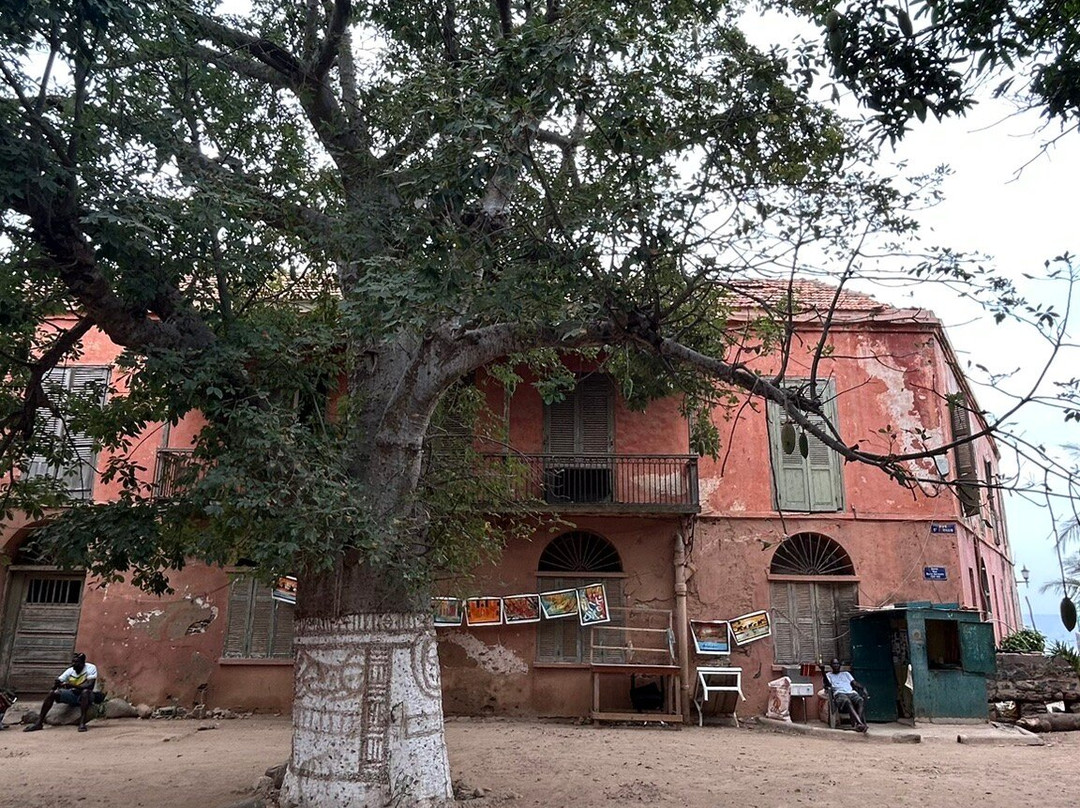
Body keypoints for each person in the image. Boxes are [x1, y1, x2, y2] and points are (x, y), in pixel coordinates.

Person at [24, 652, 98, 733]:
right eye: (73, 662)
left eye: (76, 662)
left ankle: (82, 722)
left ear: (83, 663)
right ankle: (39, 722)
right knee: (52, 693)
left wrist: (72, 686)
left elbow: (89, 686)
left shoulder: (91, 668)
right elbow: (58, 682)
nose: (74, 664)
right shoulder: (70, 670)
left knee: (85, 692)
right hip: (73, 695)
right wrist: (57, 685)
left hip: (86, 696)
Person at [824, 657, 869, 732]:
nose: (836, 665)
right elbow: (827, 684)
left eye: (837, 664)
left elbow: (854, 683)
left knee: (860, 700)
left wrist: (863, 688)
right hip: (839, 694)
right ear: (831, 665)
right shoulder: (828, 675)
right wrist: (822, 671)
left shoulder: (846, 674)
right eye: (834, 664)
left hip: (850, 692)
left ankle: (858, 724)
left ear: (840, 665)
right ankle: (860, 723)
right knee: (847, 701)